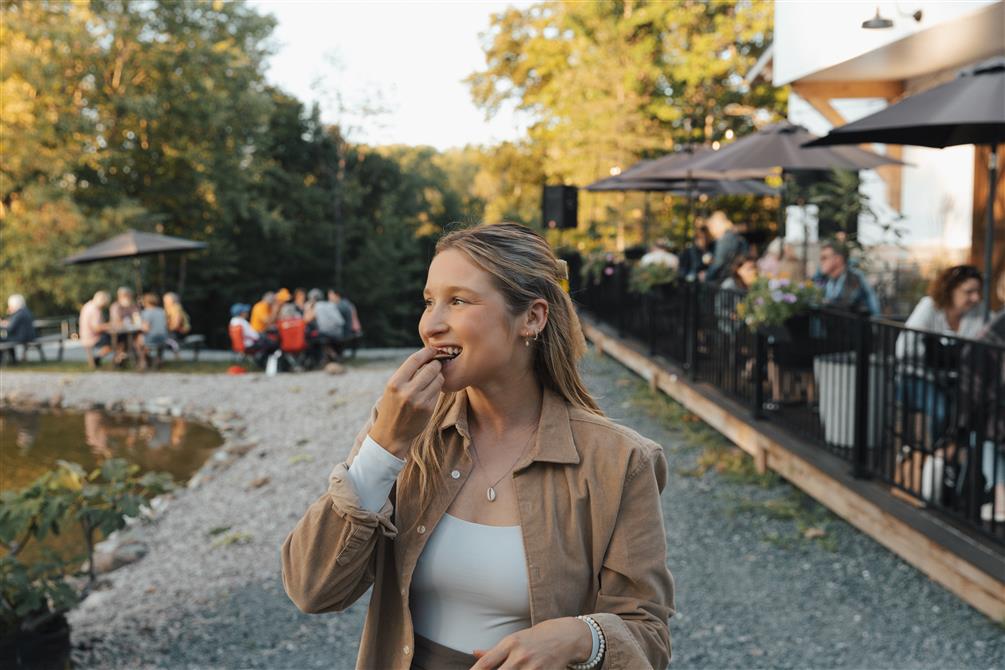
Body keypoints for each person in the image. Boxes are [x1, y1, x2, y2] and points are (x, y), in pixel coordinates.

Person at [282, 223, 675, 670]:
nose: (431, 324)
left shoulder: (622, 462)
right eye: (429, 302)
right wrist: (383, 447)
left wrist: (581, 637)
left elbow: (649, 635)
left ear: (532, 318)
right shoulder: (402, 433)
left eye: (458, 301)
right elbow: (312, 588)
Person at [896, 265, 984, 448]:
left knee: (976, 412)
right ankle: (939, 456)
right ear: (951, 289)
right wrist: (936, 354)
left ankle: (960, 460)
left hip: (957, 381)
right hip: (918, 377)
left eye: (978, 291)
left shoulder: (977, 312)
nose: (976, 298)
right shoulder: (929, 306)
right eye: (969, 292)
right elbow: (903, 348)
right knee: (941, 411)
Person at [957, 270, 1005, 522]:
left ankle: (1000, 496)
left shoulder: (998, 324)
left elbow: (973, 357)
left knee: (982, 436)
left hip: (996, 405)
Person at [817, 239, 880, 315]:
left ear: (838, 259)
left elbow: (846, 303)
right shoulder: (827, 279)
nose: (821, 262)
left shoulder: (854, 277)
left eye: (824, 258)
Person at [704, 211, 748, 283]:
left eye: (712, 226)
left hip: (724, 280)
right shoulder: (735, 236)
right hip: (733, 279)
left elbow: (718, 264)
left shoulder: (725, 239)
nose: (711, 230)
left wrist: (706, 276)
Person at [78, 290, 112, 368]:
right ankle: (98, 358)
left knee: (114, 339)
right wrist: (109, 326)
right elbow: (96, 328)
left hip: (85, 335)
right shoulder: (95, 310)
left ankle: (96, 360)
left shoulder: (87, 305)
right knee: (117, 340)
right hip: (93, 337)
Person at [139, 293, 169, 368]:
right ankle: (159, 360)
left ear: (146, 302)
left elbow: (146, 328)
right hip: (164, 337)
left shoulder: (146, 312)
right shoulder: (162, 311)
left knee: (138, 341)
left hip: (152, 337)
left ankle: (143, 361)